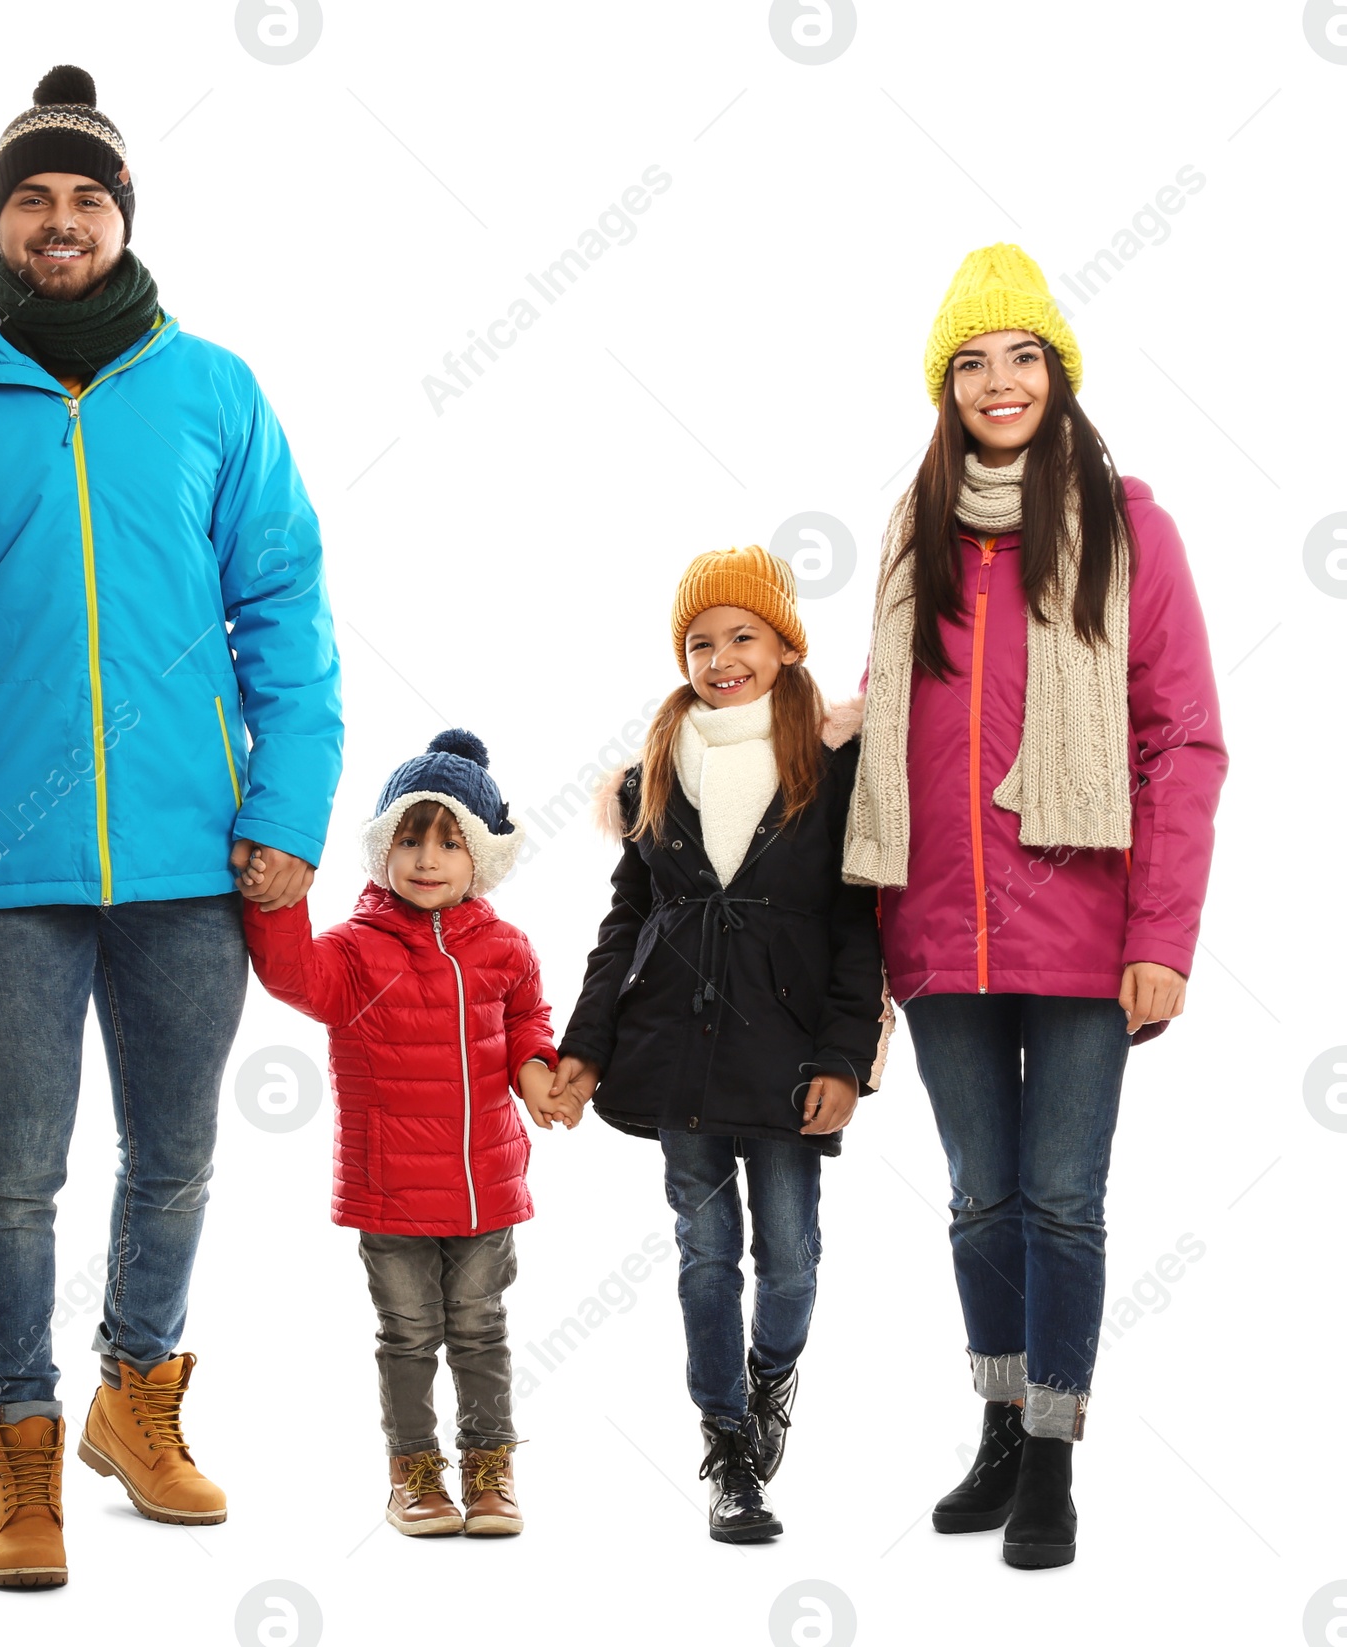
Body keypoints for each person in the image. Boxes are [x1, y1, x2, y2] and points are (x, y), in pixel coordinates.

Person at [0, 65, 342, 1590]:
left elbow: (288, 613)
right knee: (17, 1163)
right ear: (0, 221)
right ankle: (25, 1441)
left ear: (123, 220)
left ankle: (135, 1391)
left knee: (177, 1152)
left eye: (88, 199)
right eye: (35, 201)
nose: (63, 223)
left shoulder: (214, 392)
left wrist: (289, 807)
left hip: (197, 854)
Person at [844, 243, 1227, 1569]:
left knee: (1062, 1196)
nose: (997, 381)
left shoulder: (1129, 528)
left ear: (1058, 374)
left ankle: (1054, 1453)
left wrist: (1162, 938)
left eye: (1021, 357)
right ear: (944, 387)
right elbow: (881, 724)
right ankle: (999, 1425)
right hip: (939, 930)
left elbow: (1180, 738)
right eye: (970, 361)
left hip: (1083, 935)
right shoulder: (915, 539)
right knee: (978, 1197)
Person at [551, 548, 887, 1543]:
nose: (719, 656)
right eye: (699, 642)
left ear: (787, 646)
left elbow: (856, 923)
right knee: (705, 1255)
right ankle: (728, 1443)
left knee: (787, 1258)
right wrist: (587, 1042)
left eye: (742, 635)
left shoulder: (832, 766)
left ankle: (770, 1376)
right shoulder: (655, 766)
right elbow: (628, 921)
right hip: (676, 1058)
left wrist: (841, 1058)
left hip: (787, 1059)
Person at [244, 730, 573, 1538]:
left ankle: (490, 1467)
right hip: (391, 1189)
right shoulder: (357, 950)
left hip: (484, 1185)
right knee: (409, 1334)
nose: (427, 859)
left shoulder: (504, 946)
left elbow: (528, 1017)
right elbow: (293, 976)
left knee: (482, 1328)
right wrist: (277, 896)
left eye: (449, 841)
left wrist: (536, 1066)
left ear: (482, 857)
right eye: (410, 838)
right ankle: (414, 1473)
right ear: (383, 846)